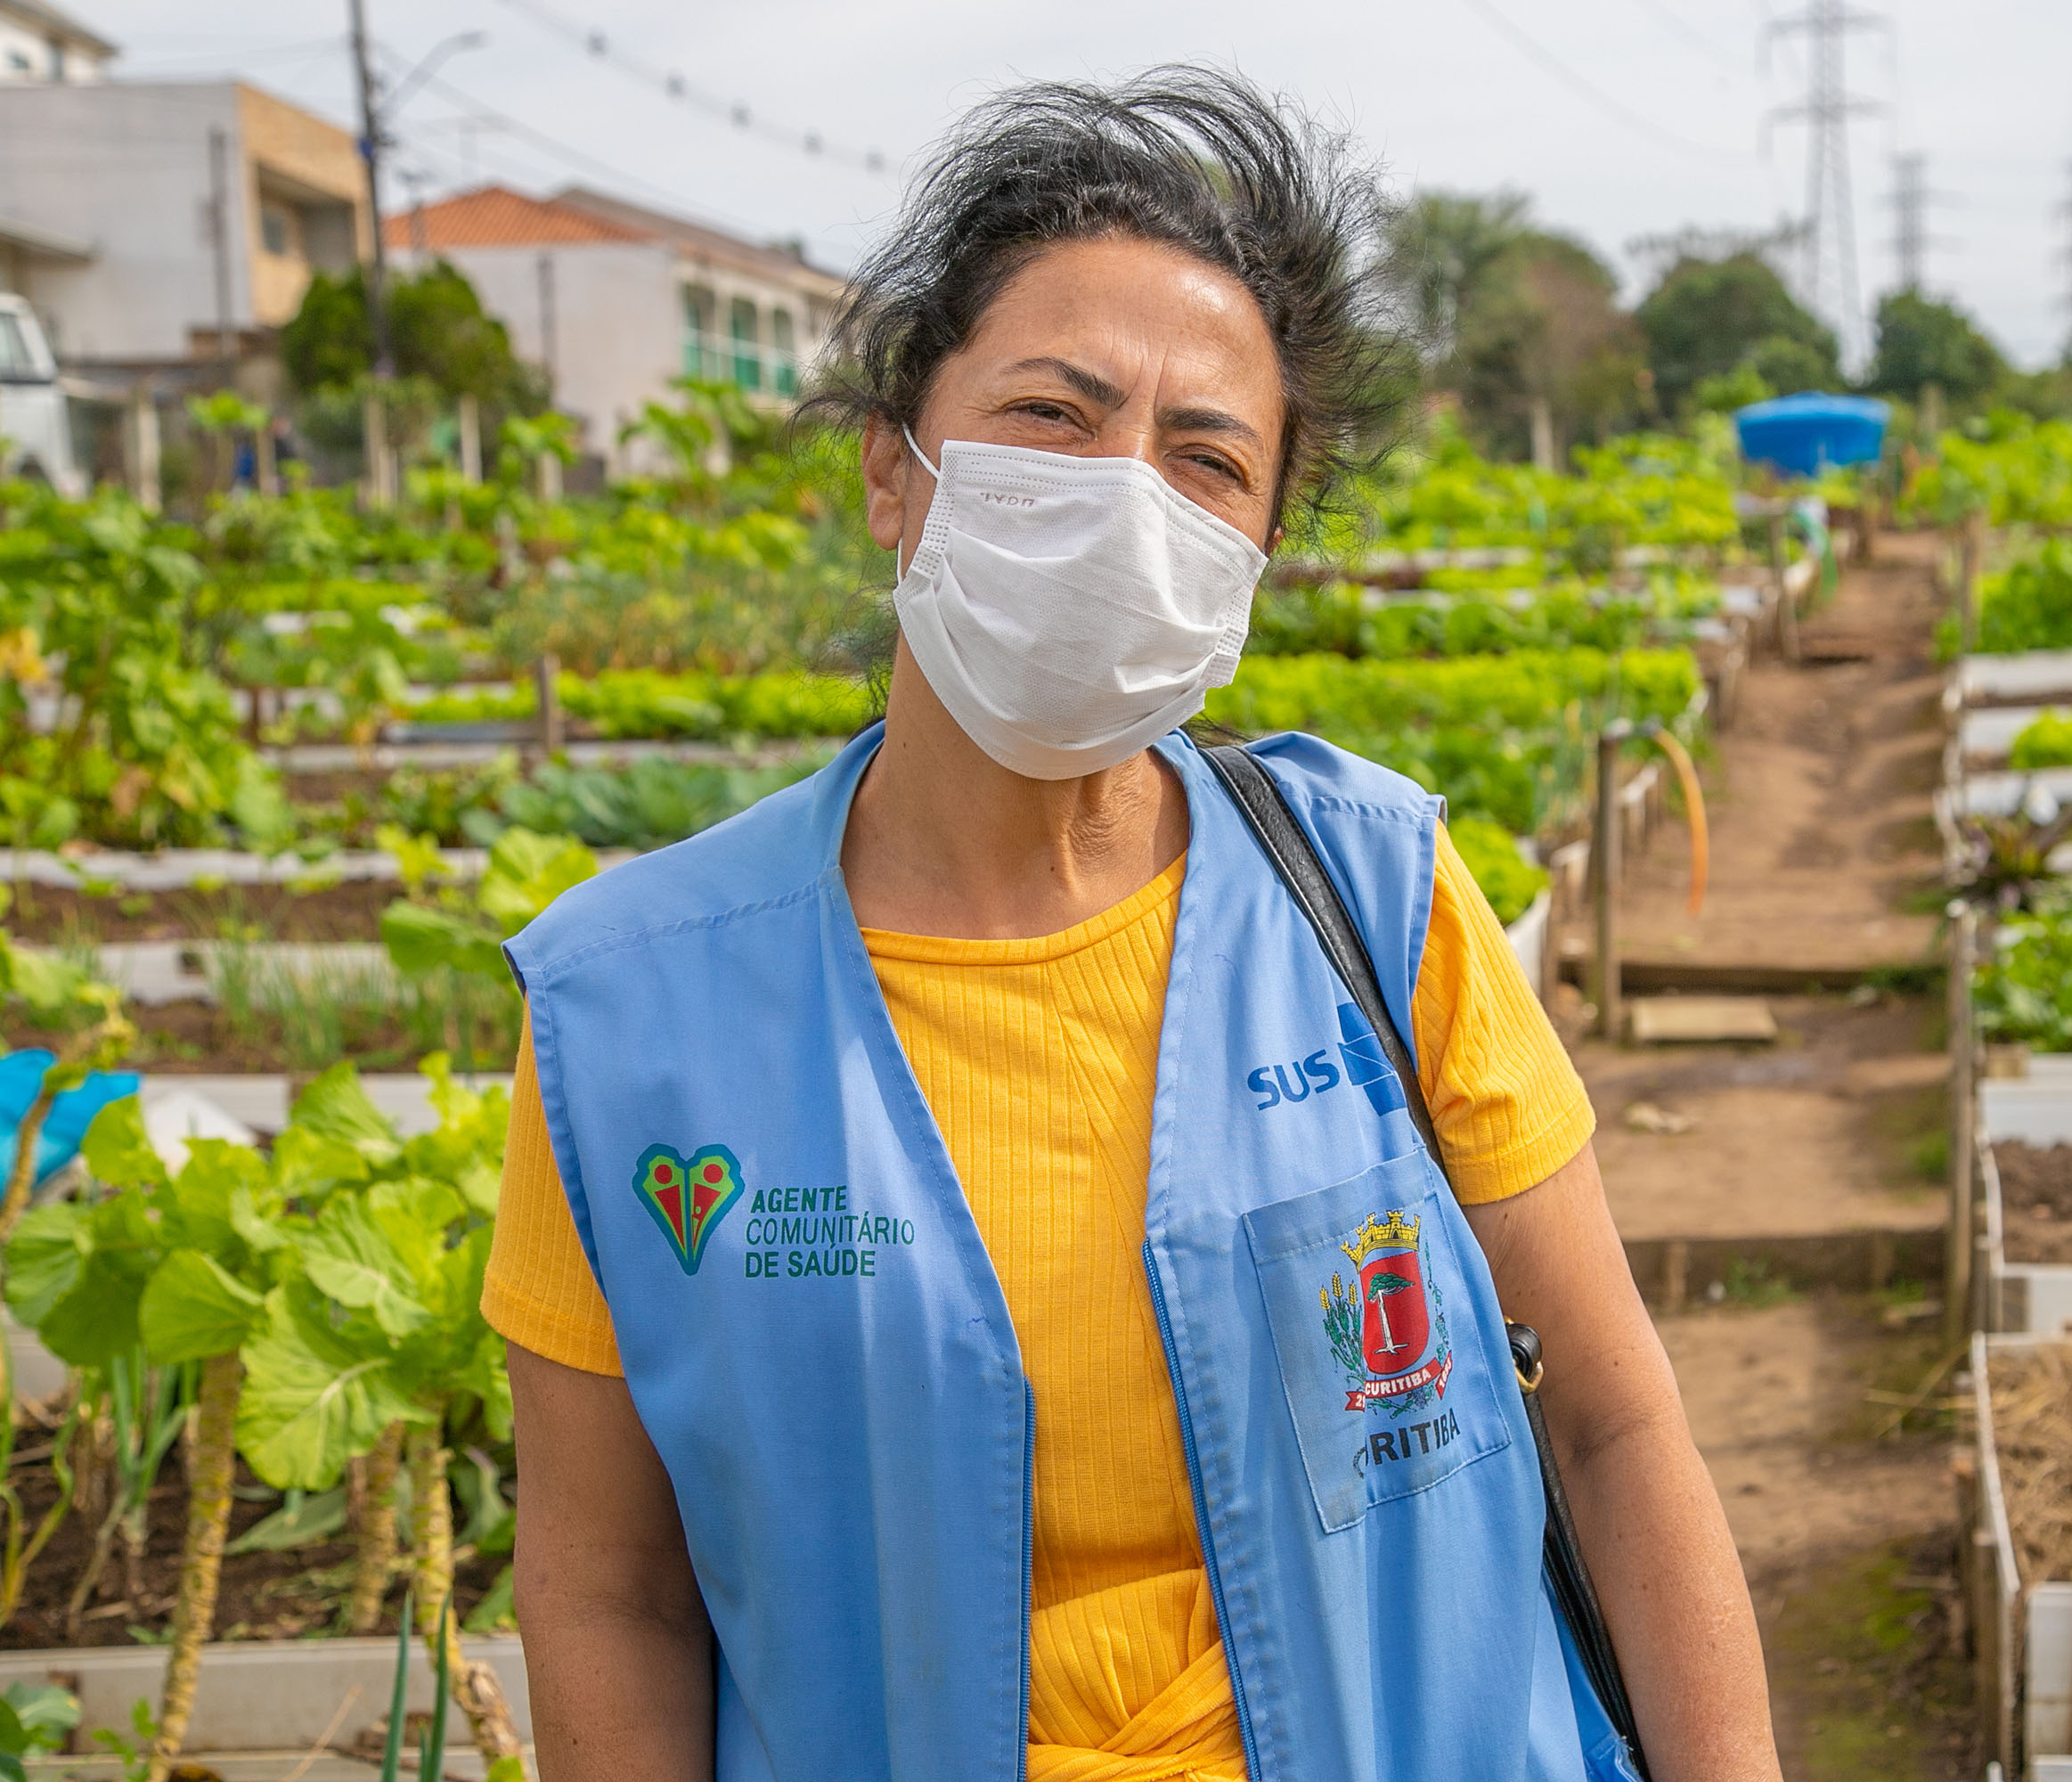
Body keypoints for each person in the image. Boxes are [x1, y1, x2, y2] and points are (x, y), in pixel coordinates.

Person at [483, 68, 1782, 1782]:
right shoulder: (628, 1017)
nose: (1123, 498)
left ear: (1256, 549)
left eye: (1207, 458)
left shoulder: (1373, 891)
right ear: (895, 471)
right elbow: (611, 1597)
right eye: (1050, 413)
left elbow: (1614, 1432)